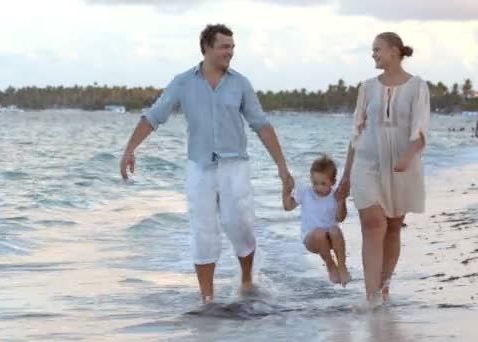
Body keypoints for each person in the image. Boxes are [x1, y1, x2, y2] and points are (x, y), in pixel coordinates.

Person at [119, 24, 293, 304]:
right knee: (203, 231)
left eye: (232, 47)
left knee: (239, 225)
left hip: (234, 165)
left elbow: (261, 125)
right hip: (199, 167)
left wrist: (282, 167)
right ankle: (207, 300)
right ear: (207, 48)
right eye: (225, 47)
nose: (230, 52)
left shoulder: (240, 83)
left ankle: (247, 281)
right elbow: (154, 116)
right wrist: (129, 149)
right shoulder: (183, 82)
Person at [339, 32, 430, 306]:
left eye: (377, 49)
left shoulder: (417, 86)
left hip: (402, 166)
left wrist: (408, 156)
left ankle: (384, 285)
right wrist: (344, 178)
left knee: (392, 227)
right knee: (372, 224)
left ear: (394, 50)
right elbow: (356, 134)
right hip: (367, 162)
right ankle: (371, 297)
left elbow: (421, 129)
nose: (373, 54)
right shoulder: (367, 88)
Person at [283, 155, 351, 286]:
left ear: (333, 182)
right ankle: (330, 265)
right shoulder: (305, 192)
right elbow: (288, 206)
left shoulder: (335, 195)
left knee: (335, 230)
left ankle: (342, 266)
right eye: (315, 183)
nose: (318, 187)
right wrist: (286, 188)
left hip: (331, 238)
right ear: (311, 180)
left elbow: (340, 218)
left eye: (323, 184)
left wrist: (342, 200)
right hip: (311, 239)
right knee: (319, 232)